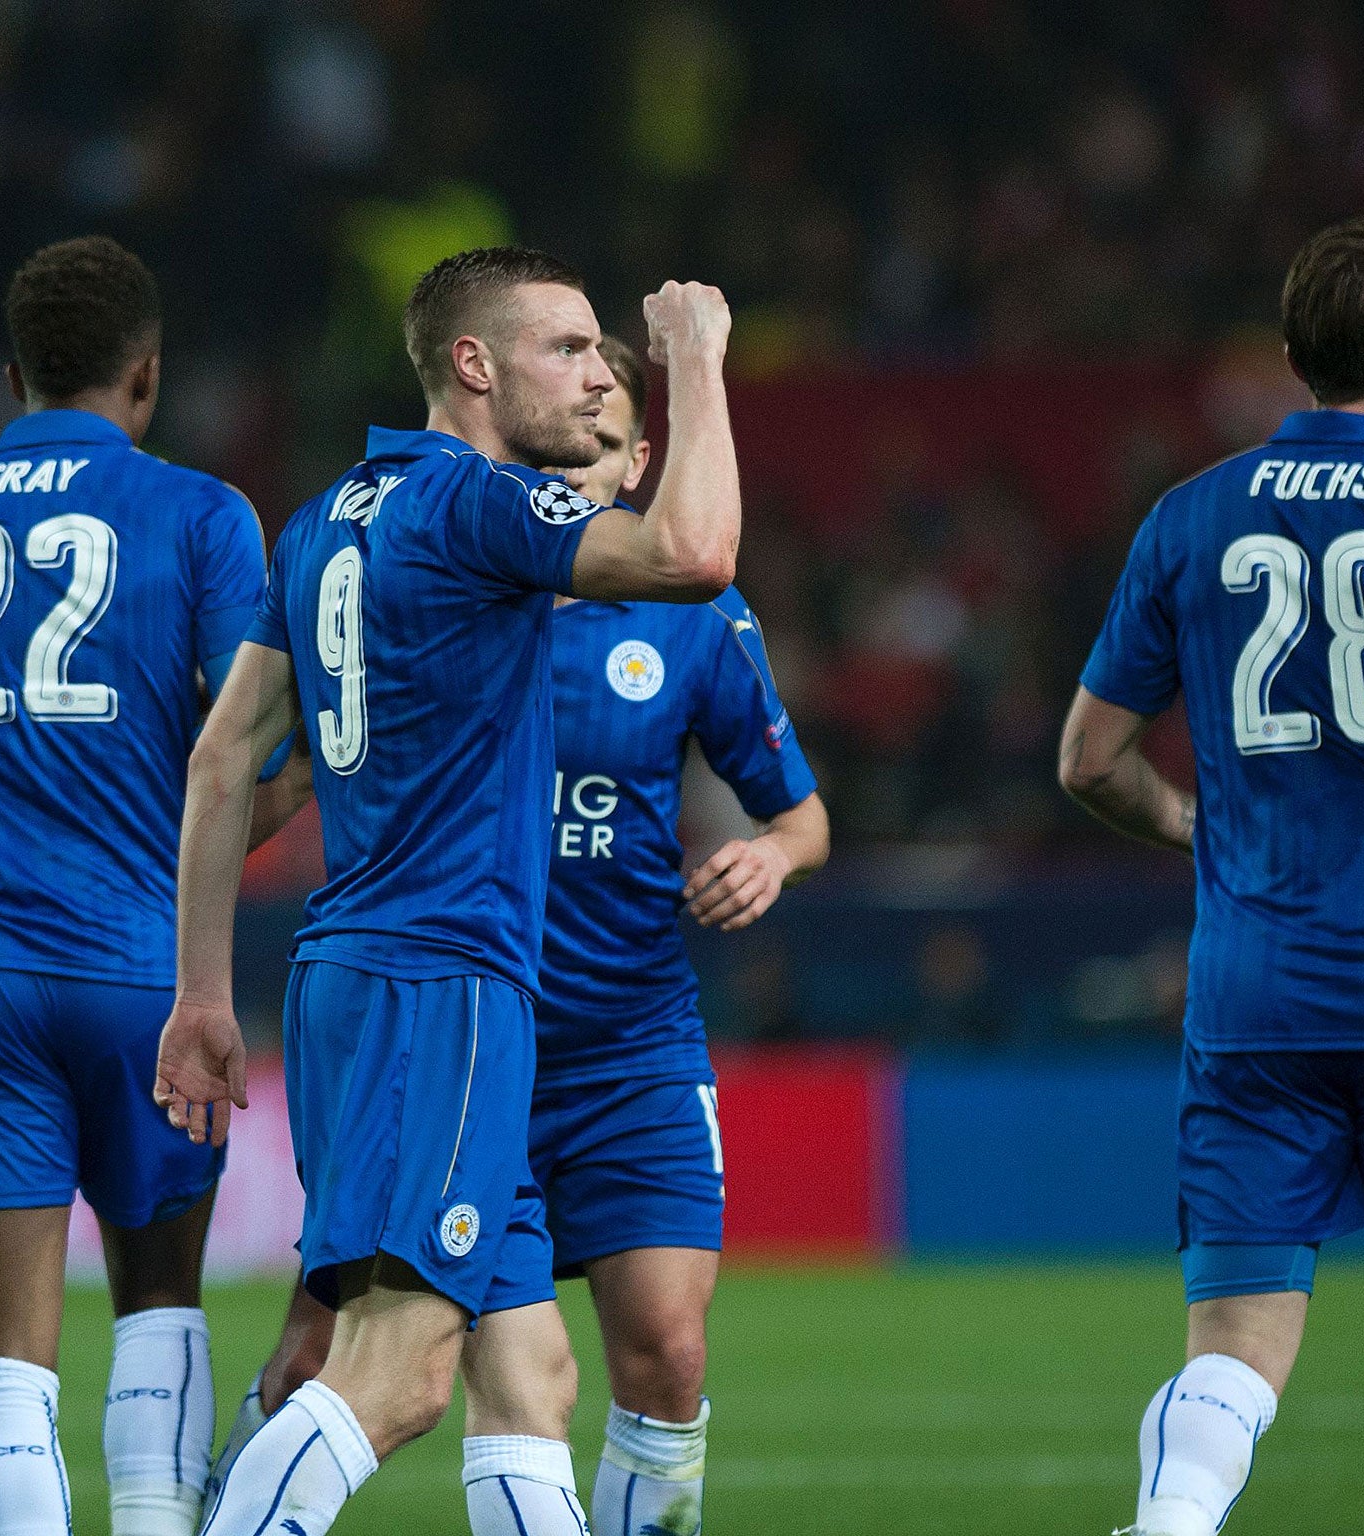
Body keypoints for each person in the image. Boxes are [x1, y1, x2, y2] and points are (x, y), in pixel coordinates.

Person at [208, 335, 828, 1536]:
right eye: (567, 439)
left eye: (604, 448)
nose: (575, 465)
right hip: (461, 1019)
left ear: (641, 458)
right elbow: (268, 770)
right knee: (406, 1372)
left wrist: (771, 851)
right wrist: (198, 827)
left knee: (645, 1356)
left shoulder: (689, 621)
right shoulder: (453, 575)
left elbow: (798, 811)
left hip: (624, 1041)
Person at [1061, 212, 1364, 1536]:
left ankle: (1174, 1525)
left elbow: (1089, 760)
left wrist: (1205, 832)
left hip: (1255, 990)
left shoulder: (1189, 517)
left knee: (1235, 1342)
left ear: (1295, 358)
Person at [0, 235, 310, 1536]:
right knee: (158, 1300)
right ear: (149, 373)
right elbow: (245, 764)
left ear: (11, 374)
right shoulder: (201, 514)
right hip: (147, 966)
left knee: (5, 1355)